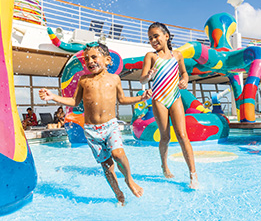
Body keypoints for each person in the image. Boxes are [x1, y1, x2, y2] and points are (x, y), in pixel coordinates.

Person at [38, 43, 150, 205]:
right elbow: (74, 101)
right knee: (107, 166)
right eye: (86, 59)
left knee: (118, 154)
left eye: (94, 57)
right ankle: (118, 193)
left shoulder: (114, 78)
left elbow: (123, 100)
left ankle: (129, 179)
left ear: (107, 60)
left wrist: (141, 98)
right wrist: (53, 96)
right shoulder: (84, 80)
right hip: (91, 130)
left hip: (110, 126)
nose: (89, 61)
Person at [140, 22, 198, 188]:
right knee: (165, 136)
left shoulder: (177, 55)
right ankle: (164, 166)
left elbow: (184, 72)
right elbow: (142, 79)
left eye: (156, 36)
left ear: (166, 36)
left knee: (182, 135)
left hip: (175, 97)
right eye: (150, 38)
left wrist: (185, 79)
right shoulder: (151, 57)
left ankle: (193, 174)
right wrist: (148, 75)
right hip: (159, 99)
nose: (153, 40)